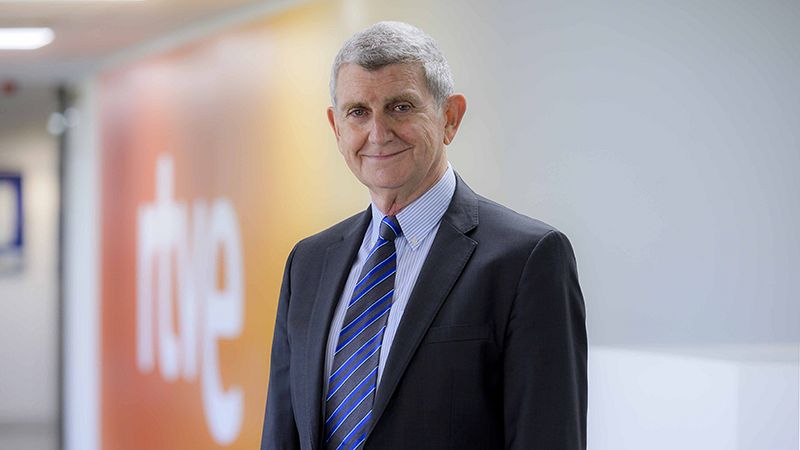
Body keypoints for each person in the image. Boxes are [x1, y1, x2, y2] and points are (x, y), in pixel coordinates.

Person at [261, 21, 586, 450]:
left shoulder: (527, 260)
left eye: (400, 107)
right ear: (336, 127)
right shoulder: (308, 263)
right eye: (358, 112)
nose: (378, 133)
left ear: (450, 117)